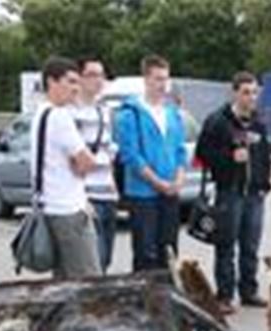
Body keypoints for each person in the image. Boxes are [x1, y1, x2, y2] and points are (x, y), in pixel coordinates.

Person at [196, 71, 271, 312]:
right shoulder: (218, 121)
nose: (251, 97)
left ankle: (248, 291)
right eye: (246, 92)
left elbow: (265, 156)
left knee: (250, 246)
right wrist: (229, 157)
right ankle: (224, 296)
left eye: (254, 93)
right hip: (229, 191)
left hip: (254, 194)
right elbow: (201, 156)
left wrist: (265, 183)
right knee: (226, 245)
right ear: (235, 93)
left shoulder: (259, 122)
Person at [31, 56, 100, 279]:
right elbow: (87, 162)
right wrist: (79, 163)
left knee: (62, 281)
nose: (75, 88)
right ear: (52, 82)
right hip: (69, 210)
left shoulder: (41, 114)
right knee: (88, 281)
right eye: (70, 82)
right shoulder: (60, 116)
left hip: (49, 207)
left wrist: (76, 162)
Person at [116, 54, 186, 272]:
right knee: (146, 252)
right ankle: (145, 301)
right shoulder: (130, 114)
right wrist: (157, 183)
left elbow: (179, 151)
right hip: (143, 194)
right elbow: (131, 156)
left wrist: (178, 179)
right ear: (145, 79)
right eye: (157, 79)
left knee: (169, 251)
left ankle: (167, 301)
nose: (162, 85)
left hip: (170, 192)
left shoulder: (173, 114)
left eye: (165, 79)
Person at [72, 56, 118, 272]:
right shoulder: (71, 112)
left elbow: (109, 151)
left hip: (108, 194)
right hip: (88, 196)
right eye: (91, 75)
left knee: (106, 258)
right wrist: (80, 197)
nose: (98, 80)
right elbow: (70, 159)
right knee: (93, 261)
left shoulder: (105, 111)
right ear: (79, 78)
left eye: (101, 75)